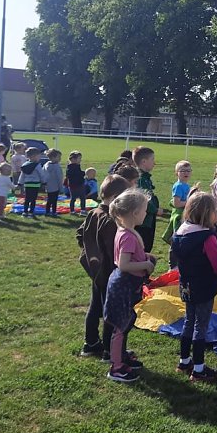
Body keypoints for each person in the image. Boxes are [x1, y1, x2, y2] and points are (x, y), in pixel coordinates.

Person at [104, 188, 157, 383]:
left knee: (125, 324)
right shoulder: (127, 236)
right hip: (123, 286)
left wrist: (146, 258)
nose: (146, 213)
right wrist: (146, 264)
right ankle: (116, 367)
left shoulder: (126, 232)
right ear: (135, 213)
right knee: (120, 326)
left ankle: (121, 356)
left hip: (127, 285)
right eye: (144, 210)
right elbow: (124, 264)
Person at [173, 192, 217, 382]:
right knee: (200, 325)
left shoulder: (179, 233)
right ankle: (198, 368)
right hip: (204, 285)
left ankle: (184, 361)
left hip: (186, 284)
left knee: (189, 321)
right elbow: (215, 261)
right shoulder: (206, 237)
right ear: (207, 213)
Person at [77, 174, 130, 360]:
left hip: (95, 271)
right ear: (116, 197)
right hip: (108, 273)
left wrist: (88, 253)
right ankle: (109, 349)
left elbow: (79, 234)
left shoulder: (93, 212)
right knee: (111, 310)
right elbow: (113, 250)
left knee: (95, 306)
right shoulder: (109, 220)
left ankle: (90, 343)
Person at [132, 146, 160, 253]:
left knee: (147, 247)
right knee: (143, 248)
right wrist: (155, 210)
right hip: (143, 221)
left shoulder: (146, 178)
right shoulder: (139, 179)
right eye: (152, 159)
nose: (154, 162)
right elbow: (143, 199)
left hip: (148, 219)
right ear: (144, 161)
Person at [162, 161, 195, 247]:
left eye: (188, 170)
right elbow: (177, 204)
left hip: (184, 213)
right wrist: (190, 201)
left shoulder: (186, 185)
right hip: (178, 215)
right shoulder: (179, 186)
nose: (186, 173)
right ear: (176, 173)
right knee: (177, 237)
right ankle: (174, 256)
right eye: (183, 171)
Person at [18, 147, 46, 218]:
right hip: (35, 185)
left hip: (27, 184)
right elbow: (41, 174)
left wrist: (20, 183)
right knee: (33, 199)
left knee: (27, 199)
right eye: (38, 156)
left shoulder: (25, 165)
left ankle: (25, 212)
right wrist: (44, 182)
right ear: (34, 156)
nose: (39, 157)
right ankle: (31, 212)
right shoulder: (37, 165)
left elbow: (22, 175)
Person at [43, 149, 64, 218]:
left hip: (48, 186)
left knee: (49, 199)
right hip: (55, 186)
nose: (60, 159)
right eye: (59, 157)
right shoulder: (57, 167)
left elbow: (43, 174)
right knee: (54, 200)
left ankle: (47, 211)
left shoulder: (46, 164)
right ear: (53, 157)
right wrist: (61, 188)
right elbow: (59, 178)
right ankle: (54, 212)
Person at [67, 151, 88, 216]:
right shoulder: (72, 167)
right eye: (79, 159)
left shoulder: (75, 166)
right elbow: (76, 174)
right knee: (77, 198)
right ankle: (79, 210)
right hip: (76, 185)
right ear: (73, 159)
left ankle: (77, 210)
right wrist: (83, 173)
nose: (80, 160)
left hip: (76, 184)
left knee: (77, 198)